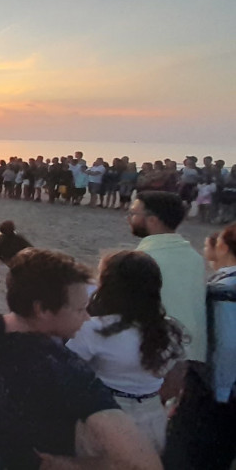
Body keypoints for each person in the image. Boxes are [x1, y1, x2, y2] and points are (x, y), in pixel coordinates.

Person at [0, 248, 162, 469]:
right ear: (42, 309)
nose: (86, 318)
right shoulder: (66, 368)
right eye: (80, 309)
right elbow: (144, 462)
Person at [66, 251, 185, 453]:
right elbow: (175, 381)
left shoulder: (94, 329)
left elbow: (68, 374)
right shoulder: (171, 330)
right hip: (152, 414)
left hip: (104, 414)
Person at [163, 225, 236, 469]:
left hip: (215, 394)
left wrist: (222, 393)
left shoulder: (223, 291)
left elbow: (227, 345)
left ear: (223, 246)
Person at [128, 191, 207, 400]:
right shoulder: (194, 257)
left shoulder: (144, 259)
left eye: (134, 213)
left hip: (151, 357)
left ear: (152, 220)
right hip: (188, 357)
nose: (129, 218)